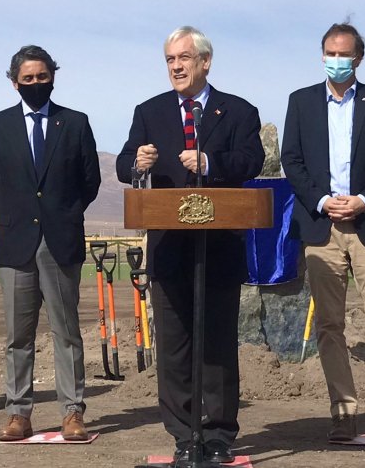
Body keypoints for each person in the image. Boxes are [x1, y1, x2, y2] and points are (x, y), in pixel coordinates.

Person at [115, 26, 264, 464]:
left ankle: (218, 435)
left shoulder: (237, 111)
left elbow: (250, 160)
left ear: (205, 62)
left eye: (183, 58)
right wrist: (136, 163)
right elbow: (126, 162)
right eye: (169, 60)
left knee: (217, 344)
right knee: (175, 346)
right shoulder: (150, 111)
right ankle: (183, 434)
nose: (176, 66)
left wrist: (210, 162)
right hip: (170, 248)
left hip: (219, 247)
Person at [281, 23, 365, 444]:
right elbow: (293, 160)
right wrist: (322, 201)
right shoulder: (301, 102)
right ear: (321, 55)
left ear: (359, 58)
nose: (336, 61)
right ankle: (343, 410)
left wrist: (363, 200)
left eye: (344, 54)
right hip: (322, 228)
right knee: (329, 325)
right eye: (329, 53)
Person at [0, 45, 101, 441]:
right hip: (15, 245)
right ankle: (18, 414)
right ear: (15, 82)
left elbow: (90, 181)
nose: (35, 84)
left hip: (60, 242)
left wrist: (62, 214)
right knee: (18, 336)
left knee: (66, 332)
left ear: (53, 78)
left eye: (41, 77)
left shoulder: (75, 123)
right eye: (27, 79)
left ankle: (72, 413)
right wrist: (16, 216)